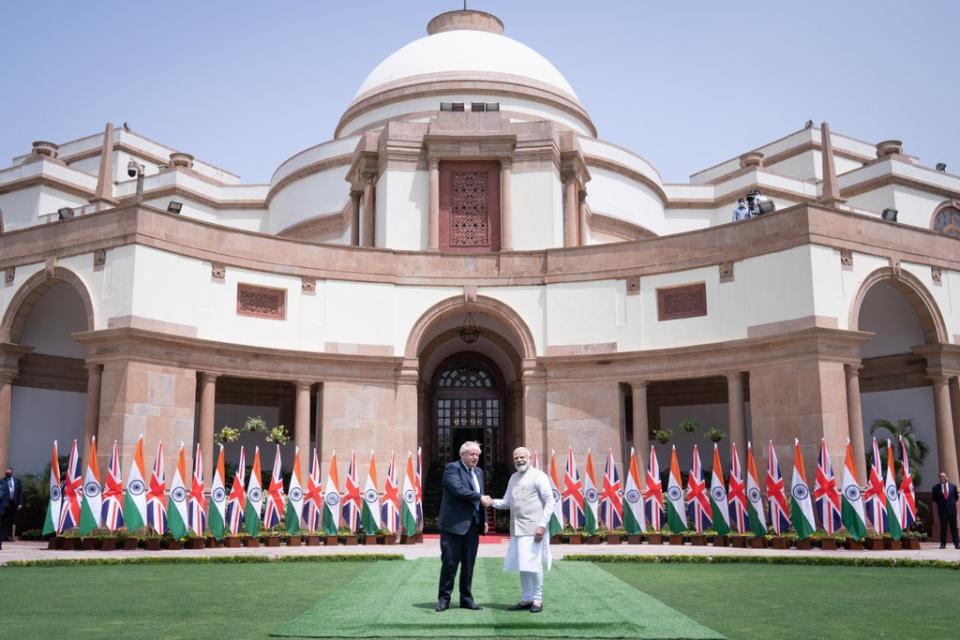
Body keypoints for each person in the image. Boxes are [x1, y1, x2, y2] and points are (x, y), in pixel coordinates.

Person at [489, 447, 555, 614]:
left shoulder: (539, 476)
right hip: (517, 530)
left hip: (534, 529)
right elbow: (506, 502)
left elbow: (550, 502)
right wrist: (490, 502)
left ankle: (538, 599)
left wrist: (542, 525)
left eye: (522, 457)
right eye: (516, 458)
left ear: (530, 457)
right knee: (523, 565)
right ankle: (527, 599)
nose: (519, 460)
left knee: (534, 564)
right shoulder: (513, 478)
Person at [436, 441, 487, 612]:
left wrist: (484, 519)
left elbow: (480, 500)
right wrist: (480, 497)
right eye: (472, 454)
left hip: (473, 525)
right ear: (462, 454)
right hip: (453, 526)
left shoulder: (479, 472)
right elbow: (458, 490)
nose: (475, 457)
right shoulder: (452, 468)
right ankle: (444, 599)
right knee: (450, 563)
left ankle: (466, 599)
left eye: (477, 455)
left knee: (469, 564)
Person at [932, 471, 958, 549]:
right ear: (939, 478)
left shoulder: (953, 487)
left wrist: (951, 504)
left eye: (944, 476)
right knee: (943, 528)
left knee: (954, 528)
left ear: (947, 477)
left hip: (952, 511)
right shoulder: (936, 488)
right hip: (942, 511)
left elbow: (956, 498)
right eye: (941, 477)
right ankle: (943, 544)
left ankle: (957, 543)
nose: (942, 478)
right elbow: (935, 499)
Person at [0, 467, 22, 543]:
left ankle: (10, 536)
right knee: (3, 520)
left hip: (13, 503)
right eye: (6, 473)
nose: (7, 474)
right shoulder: (2, 481)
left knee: (11, 520)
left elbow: (19, 493)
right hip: (4, 504)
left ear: (12, 473)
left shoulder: (17, 481)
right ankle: (2, 536)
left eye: (9, 473)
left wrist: (20, 503)